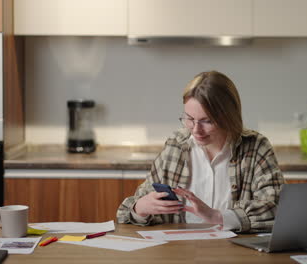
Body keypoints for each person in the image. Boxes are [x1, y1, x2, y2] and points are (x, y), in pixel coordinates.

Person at [116, 71, 285, 233]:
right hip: (178, 252)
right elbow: (126, 212)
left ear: (229, 117)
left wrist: (216, 216)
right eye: (189, 119)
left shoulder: (255, 147)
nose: (196, 130)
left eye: (207, 121)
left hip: (237, 253)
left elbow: (276, 208)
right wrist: (140, 208)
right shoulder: (177, 144)